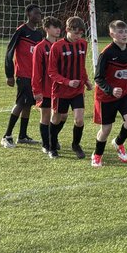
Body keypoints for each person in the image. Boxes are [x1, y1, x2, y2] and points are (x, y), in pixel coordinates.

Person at [91, 20, 127, 167]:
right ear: (112, 34)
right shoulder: (106, 53)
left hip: (124, 93)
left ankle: (118, 143)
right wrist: (111, 90)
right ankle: (97, 155)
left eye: (125, 31)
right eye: (119, 32)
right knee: (106, 129)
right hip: (106, 95)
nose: (124, 35)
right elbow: (98, 77)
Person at [46, 16, 92, 160]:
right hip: (61, 91)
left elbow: (81, 66)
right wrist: (67, 82)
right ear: (67, 30)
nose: (78, 36)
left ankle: (76, 145)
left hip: (77, 90)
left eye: (80, 33)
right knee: (57, 118)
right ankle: (52, 147)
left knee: (79, 119)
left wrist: (86, 81)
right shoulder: (57, 47)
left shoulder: (83, 44)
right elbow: (51, 72)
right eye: (75, 33)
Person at [1, 4, 44, 148]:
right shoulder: (21, 30)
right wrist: (9, 74)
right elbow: (9, 52)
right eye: (36, 13)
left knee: (28, 105)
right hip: (22, 74)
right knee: (20, 103)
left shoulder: (39, 34)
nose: (39, 16)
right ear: (28, 14)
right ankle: (6, 136)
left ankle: (23, 136)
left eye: (40, 14)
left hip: (34, 76)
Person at [30, 16, 64, 154]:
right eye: (54, 27)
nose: (58, 30)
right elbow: (36, 71)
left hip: (61, 88)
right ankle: (47, 144)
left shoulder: (62, 45)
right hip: (45, 89)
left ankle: (52, 138)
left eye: (58, 27)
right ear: (46, 29)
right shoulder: (40, 48)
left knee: (62, 116)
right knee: (46, 116)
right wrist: (36, 90)